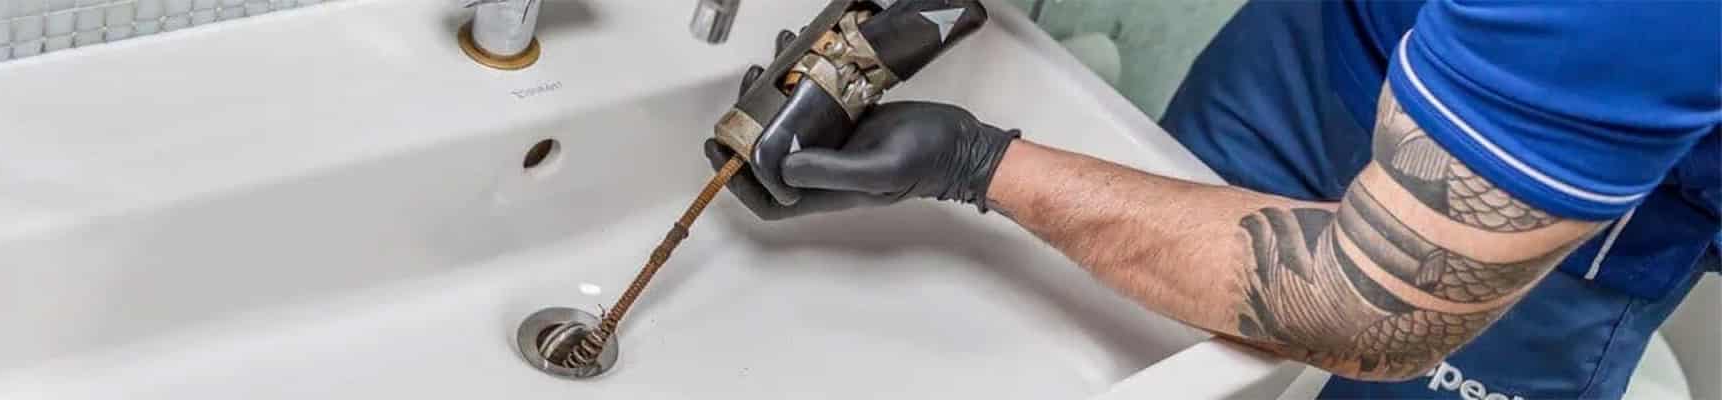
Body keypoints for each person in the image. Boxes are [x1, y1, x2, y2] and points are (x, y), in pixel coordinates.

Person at [705, 1, 1719, 398]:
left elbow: (1364, 303)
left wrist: (974, 163)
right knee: (1154, 334)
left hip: (1573, 215)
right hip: (1338, 41)